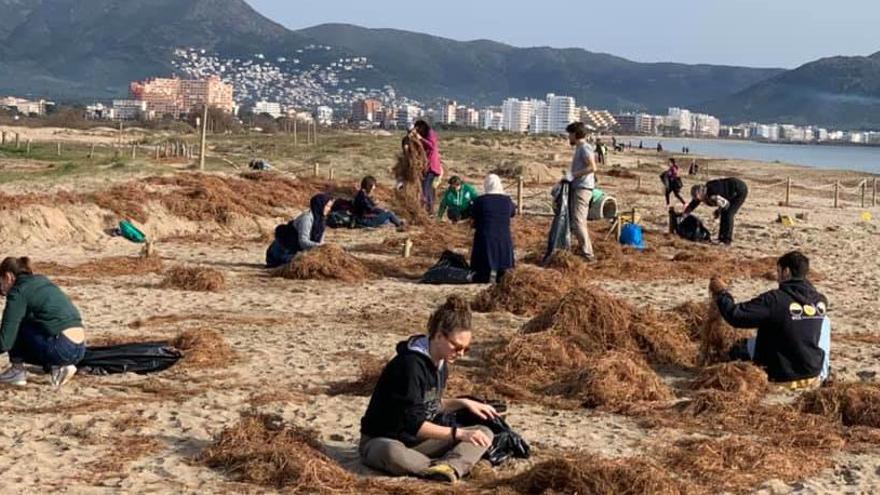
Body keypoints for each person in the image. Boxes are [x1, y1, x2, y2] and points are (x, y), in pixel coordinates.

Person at [359, 295, 497, 483]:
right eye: (457, 347)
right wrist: (459, 434)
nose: (461, 354)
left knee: (484, 432)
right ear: (439, 335)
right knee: (391, 453)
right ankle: (439, 466)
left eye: (466, 349)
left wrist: (464, 402)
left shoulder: (441, 363)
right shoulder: (409, 366)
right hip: (384, 439)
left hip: (418, 442)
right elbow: (413, 423)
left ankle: (447, 467)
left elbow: (430, 405)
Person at [710, 251, 831, 388]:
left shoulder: (774, 300)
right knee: (823, 321)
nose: (777, 278)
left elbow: (735, 316)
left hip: (779, 374)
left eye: (778, 272)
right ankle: (826, 372)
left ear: (786, 272)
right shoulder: (820, 300)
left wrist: (722, 294)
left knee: (739, 349)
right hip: (812, 372)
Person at [0, 257, 85, 388]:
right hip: (79, 349)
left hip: (61, 348)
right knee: (28, 321)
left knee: (15, 323)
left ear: (8, 277)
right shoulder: (42, 281)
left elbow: (5, 343)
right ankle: (58, 366)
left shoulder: (18, 292)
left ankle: (17, 371)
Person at [266, 193, 334, 268]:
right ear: (320, 205)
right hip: (283, 251)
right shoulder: (306, 219)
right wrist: (322, 246)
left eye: (330, 207)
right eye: (327, 206)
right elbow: (303, 242)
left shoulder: (321, 222)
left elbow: (320, 243)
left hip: (298, 251)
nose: (329, 209)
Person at [470, 174, 516, 283]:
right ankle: (501, 278)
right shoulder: (507, 201)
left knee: (483, 264)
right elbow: (512, 213)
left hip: (485, 236)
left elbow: (473, 215)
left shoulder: (480, 201)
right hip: (503, 236)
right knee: (503, 264)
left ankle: (483, 278)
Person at [565, 122, 597, 261]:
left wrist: (574, 175)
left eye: (570, 134)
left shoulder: (584, 148)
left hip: (582, 188)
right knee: (575, 221)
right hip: (578, 187)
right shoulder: (579, 148)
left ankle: (588, 254)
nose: (568, 138)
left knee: (578, 221)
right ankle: (577, 248)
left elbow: (592, 167)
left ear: (575, 134)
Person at [683, 177, 748, 245]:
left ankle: (726, 240)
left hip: (738, 190)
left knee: (728, 214)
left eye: (698, 197)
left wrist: (718, 211)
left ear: (702, 193)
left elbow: (726, 204)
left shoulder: (713, 195)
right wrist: (684, 214)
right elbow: (692, 205)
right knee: (724, 213)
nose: (698, 199)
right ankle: (721, 238)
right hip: (728, 190)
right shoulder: (702, 192)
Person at [412, 120, 443, 214]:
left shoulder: (430, 133)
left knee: (425, 188)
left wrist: (420, 138)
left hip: (431, 166)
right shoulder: (428, 134)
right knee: (428, 188)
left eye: (418, 129)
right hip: (430, 166)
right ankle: (430, 210)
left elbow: (432, 146)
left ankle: (425, 209)